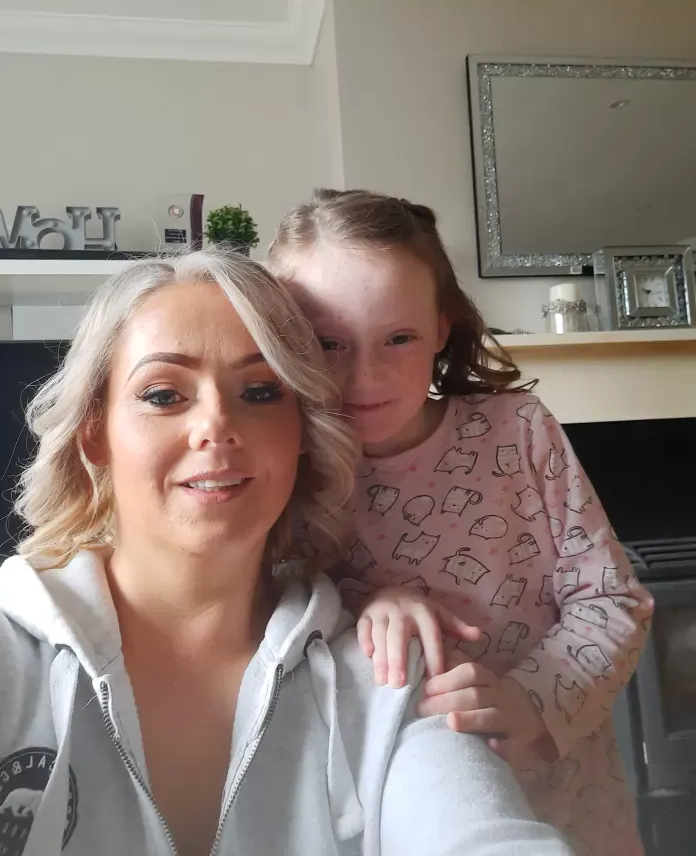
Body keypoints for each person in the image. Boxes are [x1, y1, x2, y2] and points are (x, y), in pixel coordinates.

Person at [0, 250, 573, 856]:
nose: (216, 425)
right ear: (94, 435)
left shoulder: (388, 678)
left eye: (260, 392)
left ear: (302, 434)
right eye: (163, 395)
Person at [269, 189, 654, 856]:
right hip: (398, 809)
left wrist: (531, 701)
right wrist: (363, 602)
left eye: (399, 338)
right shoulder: (281, 469)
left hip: (570, 798)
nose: (365, 375)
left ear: (441, 330)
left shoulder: (518, 430)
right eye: (329, 343)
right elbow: (273, 626)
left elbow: (612, 600)